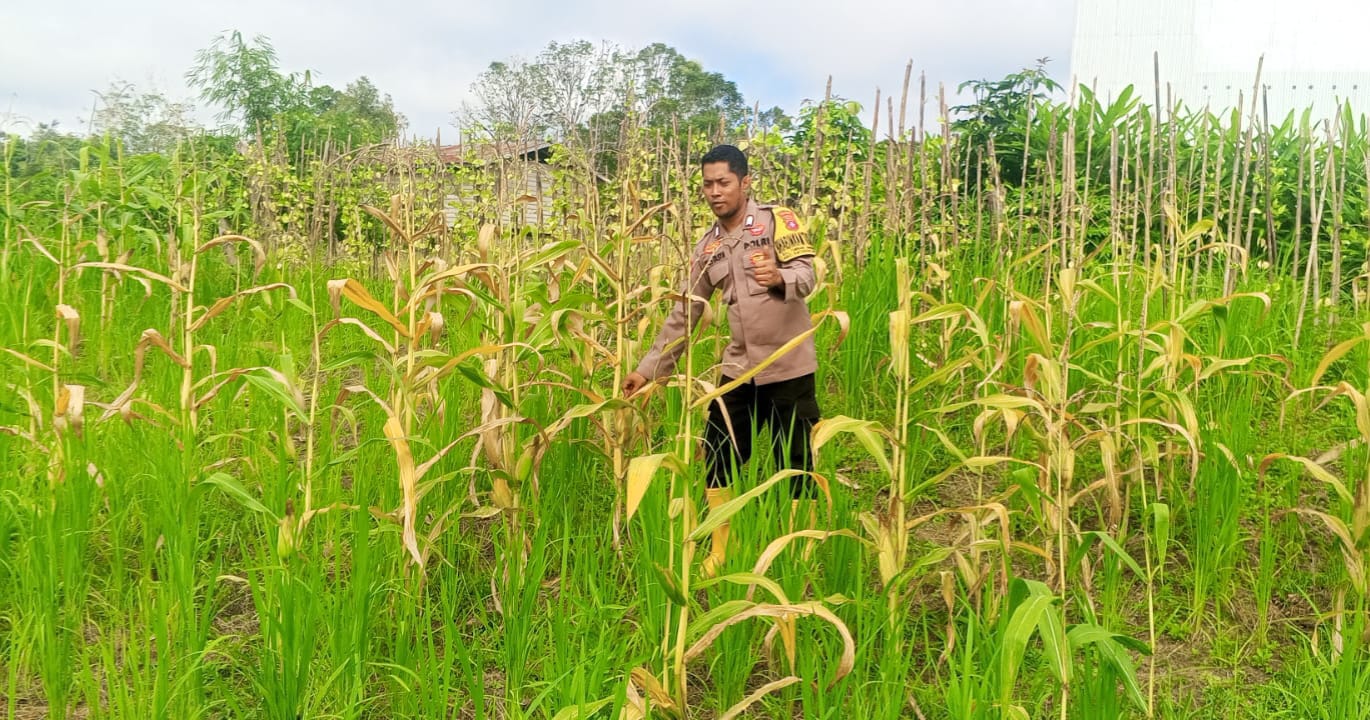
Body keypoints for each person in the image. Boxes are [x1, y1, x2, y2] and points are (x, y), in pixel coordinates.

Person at [623, 144, 821, 576]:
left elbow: (809, 274)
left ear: (745, 183)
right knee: (717, 451)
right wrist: (648, 368)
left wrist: (781, 277)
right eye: (708, 185)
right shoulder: (707, 247)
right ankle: (720, 549)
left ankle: (799, 551)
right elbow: (685, 313)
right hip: (739, 371)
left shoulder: (777, 221)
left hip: (789, 366)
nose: (715, 192)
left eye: (723, 183)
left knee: (796, 460)